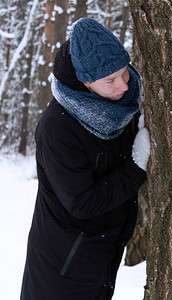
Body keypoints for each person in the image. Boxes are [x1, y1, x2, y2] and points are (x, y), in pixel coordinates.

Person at [20, 18, 151, 300]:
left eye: (125, 73)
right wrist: (137, 165)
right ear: (85, 82)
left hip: (102, 251)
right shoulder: (58, 127)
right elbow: (82, 202)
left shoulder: (116, 105)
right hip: (63, 268)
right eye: (110, 80)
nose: (125, 86)